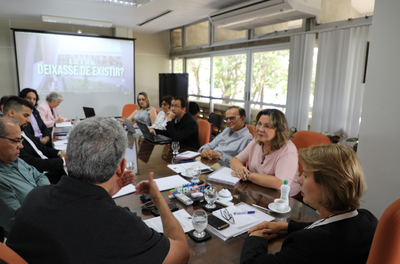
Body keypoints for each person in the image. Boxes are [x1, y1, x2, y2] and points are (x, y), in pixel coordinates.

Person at [7, 116, 190, 264]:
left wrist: (106, 193)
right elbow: (181, 253)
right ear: (121, 168)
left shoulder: (35, 197)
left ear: (68, 162)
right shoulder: (121, 225)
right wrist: (158, 198)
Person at [240, 144, 378, 264]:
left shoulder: (307, 244)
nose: (299, 180)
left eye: (305, 175)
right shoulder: (368, 219)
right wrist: (286, 226)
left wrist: (255, 239)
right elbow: (331, 228)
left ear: (328, 188)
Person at [230, 109, 300, 195]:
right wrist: (239, 169)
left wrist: (248, 176)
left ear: (279, 129)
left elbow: (280, 183)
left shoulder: (288, 150)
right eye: (259, 124)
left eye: (267, 126)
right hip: (259, 190)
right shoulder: (257, 142)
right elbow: (235, 160)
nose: (260, 129)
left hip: (283, 198)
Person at [0, 117, 50, 237]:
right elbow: (19, 224)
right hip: (34, 235)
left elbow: (39, 176)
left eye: (20, 140)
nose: (21, 146)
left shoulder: (14, 159)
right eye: (16, 141)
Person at [3, 96, 66, 184]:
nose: (28, 120)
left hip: (49, 169)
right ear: (11, 113)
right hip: (42, 176)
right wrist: (63, 161)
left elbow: (40, 147)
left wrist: (59, 153)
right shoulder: (8, 138)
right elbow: (32, 162)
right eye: (25, 116)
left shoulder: (23, 130)